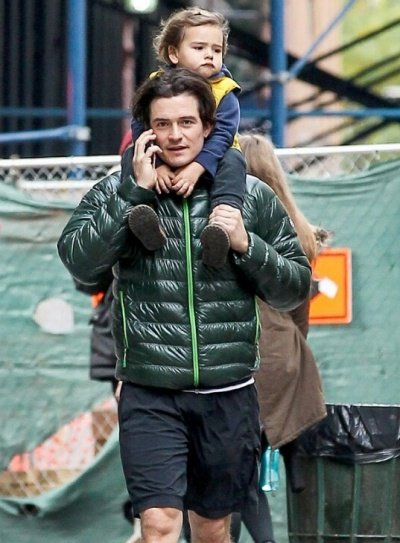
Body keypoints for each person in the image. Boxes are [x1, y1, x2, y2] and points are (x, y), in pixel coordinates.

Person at [57, 69, 311, 543]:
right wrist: (132, 194)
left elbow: (294, 288)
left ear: (208, 127)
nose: (175, 135)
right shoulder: (117, 191)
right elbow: (80, 264)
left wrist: (246, 245)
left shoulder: (249, 197)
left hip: (228, 393)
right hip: (149, 394)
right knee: (158, 524)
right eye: (163, 124)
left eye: (186, 122)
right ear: (146, 131)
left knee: (212, 529)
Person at [234, 133, 328, 543]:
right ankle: (293, 457)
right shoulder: (299, 230)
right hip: (287, 356)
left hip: (243, 358)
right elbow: (299, 313)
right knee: (243, 474)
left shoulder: (231, 222)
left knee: (227, 478)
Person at [127, 6, 246, 269]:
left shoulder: (225, 90)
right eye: (199, 48)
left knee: (234, 158)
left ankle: (222, 227)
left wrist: (198, 166)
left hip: (213, 159)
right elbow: (139, 124)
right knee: (132, 153)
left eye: (217, 50)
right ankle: (144, 217)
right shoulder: (158, 85)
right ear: (173, 53)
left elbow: (224, 134)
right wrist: (157, 165)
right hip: (165, 156)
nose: (209, 55)